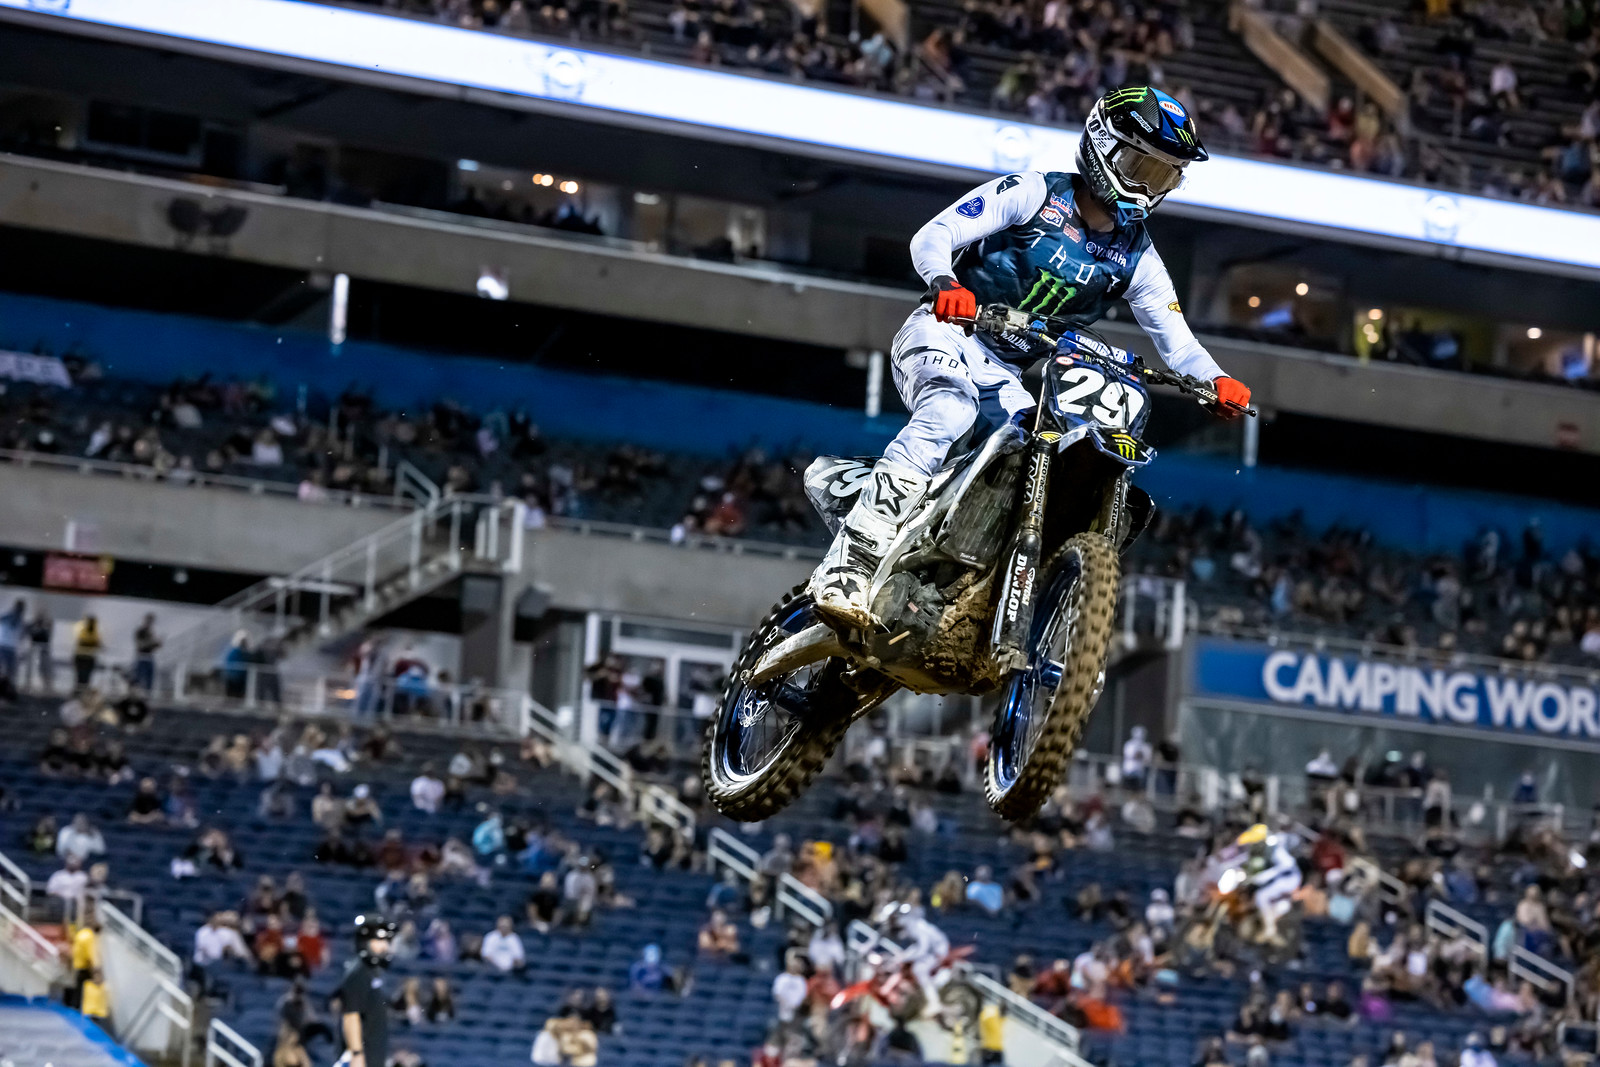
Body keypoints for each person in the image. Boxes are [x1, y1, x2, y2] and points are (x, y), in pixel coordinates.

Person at [807, 86, 1250, 624]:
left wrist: (1217, 380)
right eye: (1142, 167)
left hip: (1005, 371)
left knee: (1037, 455)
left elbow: (1177, 341)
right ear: (1102, 146)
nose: (1149, 187)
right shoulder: (1033, 193)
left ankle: (957, 584)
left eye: (1165, 176)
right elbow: (935, 234)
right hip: (945, 332)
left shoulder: (1139, 256)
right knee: (950, 410)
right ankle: (848, 564)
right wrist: (946, 282)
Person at [339, 915, 396, 1067]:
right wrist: (356, 1053)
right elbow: (351, 1015)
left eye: (386, 941)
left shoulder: (372, 972)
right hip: (361, 1058)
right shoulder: (358, 972)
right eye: (379, 940)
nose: (384, 946)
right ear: (364, 942)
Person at [1238, 823, 1301, 945]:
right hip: (1286, 877)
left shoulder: (1255, 906)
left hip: (1280, 875)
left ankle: (1269, 928)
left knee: (1260, 894)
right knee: (1261, 895)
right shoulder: (1280, 907)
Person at [883, 903, 950, 1016]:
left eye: (892, 919)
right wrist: (903, 955)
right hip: (932, 949)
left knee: (919, 969)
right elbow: (916, 946)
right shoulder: (911, 926)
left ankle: (934, 1002)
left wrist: (905, 957)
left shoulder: (915, 925)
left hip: (938, 950)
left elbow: (923, 949)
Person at [71, 613, 103, 690]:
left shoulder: (94, 633)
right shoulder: (84, 632)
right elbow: (84, 641)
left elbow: (97, 644)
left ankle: (82, 690)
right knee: (81, 677)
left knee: (85, 677)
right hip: (82, 657)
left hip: (88, 658)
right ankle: (79, 690)